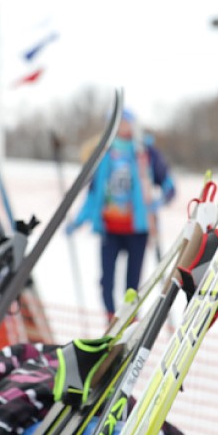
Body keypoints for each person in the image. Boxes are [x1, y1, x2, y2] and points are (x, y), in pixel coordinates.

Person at [70, 109, 172, 319]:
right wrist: (79, 220)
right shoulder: (103, 153)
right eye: (117, 123)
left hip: (138, 229)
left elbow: (169, 185)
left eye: (125, 122)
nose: (122, 127)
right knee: (106, 281)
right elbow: (93, 193)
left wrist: (157, 202)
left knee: (132, 284)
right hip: (110, 228)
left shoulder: (145, 152)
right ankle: (110, 320)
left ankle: (129, 321)